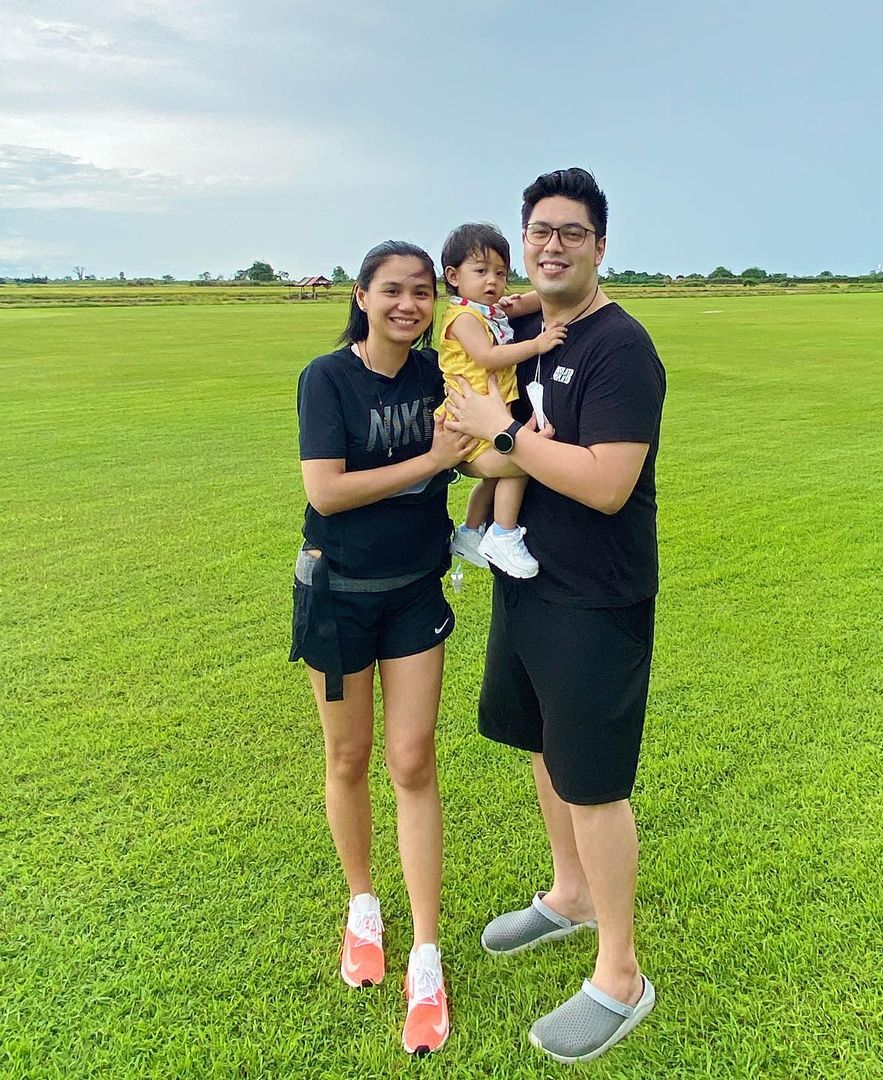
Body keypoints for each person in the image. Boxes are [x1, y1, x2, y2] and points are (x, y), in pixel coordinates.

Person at [445, 168, 666, 1064]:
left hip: (595, 591)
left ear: (601, 245)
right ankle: (569, 894)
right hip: (527, 577)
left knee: (596, 780)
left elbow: (607, 484)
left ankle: (622, 974)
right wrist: (489, 448)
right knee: (541, 744)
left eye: (571, 231)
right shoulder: (529, 329)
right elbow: (472, 455)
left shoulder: (622, 348)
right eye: (538, 229)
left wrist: (503, 438)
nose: (550, 244)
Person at [289, 240, 476, 1056]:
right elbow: (324, 490)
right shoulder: (326, 379)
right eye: (393, 290)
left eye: (422, 292)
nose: (409, 304)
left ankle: (425, 959)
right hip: (336, 597)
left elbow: (481, 435)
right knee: (349, 757)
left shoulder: (442, 372)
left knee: (413, 760)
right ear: (363, 296)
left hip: (412, 593)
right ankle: (363, 907)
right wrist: (427, 460)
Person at [436, 222, 565, 578]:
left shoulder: (487, 312)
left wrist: (521, 299)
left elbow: (551, 294)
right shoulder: (463, 317)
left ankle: (470, 531)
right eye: (480, 272)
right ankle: (503, 534)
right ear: (453, 276)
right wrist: (537, 345)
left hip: (484, 416)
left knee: (493, 478)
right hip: (472, 421)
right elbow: (486, 357)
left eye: (500, 273)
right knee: (523, 462)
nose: (492, 281)